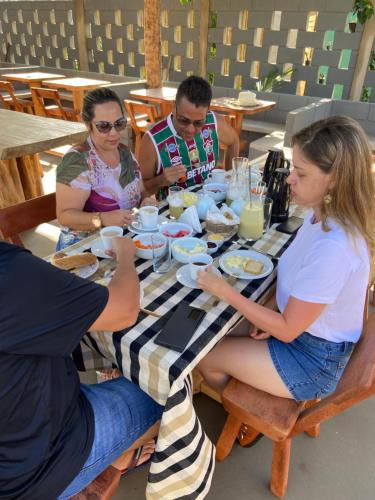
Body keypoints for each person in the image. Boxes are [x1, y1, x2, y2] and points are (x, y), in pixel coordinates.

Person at [197, 116, 375, 402]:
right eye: (294, 167)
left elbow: (289, 330)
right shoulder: (319, 213)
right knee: (212, 331)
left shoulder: (336, 247)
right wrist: (270, 308)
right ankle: (245, 381)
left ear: (335, 180)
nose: (290, 178)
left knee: (206, 356)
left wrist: (224, 290)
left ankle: (243, 411)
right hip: (299, 330)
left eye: (301, 174)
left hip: (313, 361)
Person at [0, 237, 163, 499]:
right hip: (39, 466)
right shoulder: (10, 272)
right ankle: (117, 456)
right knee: (166, 389)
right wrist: (125, 257)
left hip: (26, 424)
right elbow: (125, 310)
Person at [56, 87, 155, 250]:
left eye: (119, 123)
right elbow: (65, 216)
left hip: (121, 238)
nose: (114, 133)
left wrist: (148, 200)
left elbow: (142, 191)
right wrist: (101, 218)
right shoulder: (77, 161)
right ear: (88, 125)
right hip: (83, 245)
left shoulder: (124, 153)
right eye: (104, 126)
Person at [138, 75, 239, 199]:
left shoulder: (214, 121)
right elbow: (141, 191)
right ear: (174, 107)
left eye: (198, 123)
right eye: (183, 120)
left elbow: (233, 141)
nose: (191, 129)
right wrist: (161, 180)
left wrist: (231, 183)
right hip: (175, 213)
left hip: (212, 205)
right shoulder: (152, 140)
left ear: (207, 112)